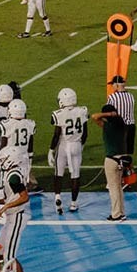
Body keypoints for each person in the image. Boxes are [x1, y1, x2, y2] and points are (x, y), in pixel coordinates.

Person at [48, 87, 88, 215]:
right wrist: (81, 144)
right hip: (76, 144)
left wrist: (50, 150)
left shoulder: (58, 114)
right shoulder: (82, 111)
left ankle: (58, 196)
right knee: (75, 175)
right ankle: (73, 203)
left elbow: (56, 135)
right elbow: (85, 133)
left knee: (58, 173)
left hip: (63, 145)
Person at [91, 93, 130, 221]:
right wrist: (113, 114)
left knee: (113, 188)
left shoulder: (108, 126)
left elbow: (94, 116)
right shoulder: (122, 126)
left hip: (112, 160)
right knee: (118, 187)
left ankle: (116, 214)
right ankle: (120, 211)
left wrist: (109, 114)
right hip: (122, 159)